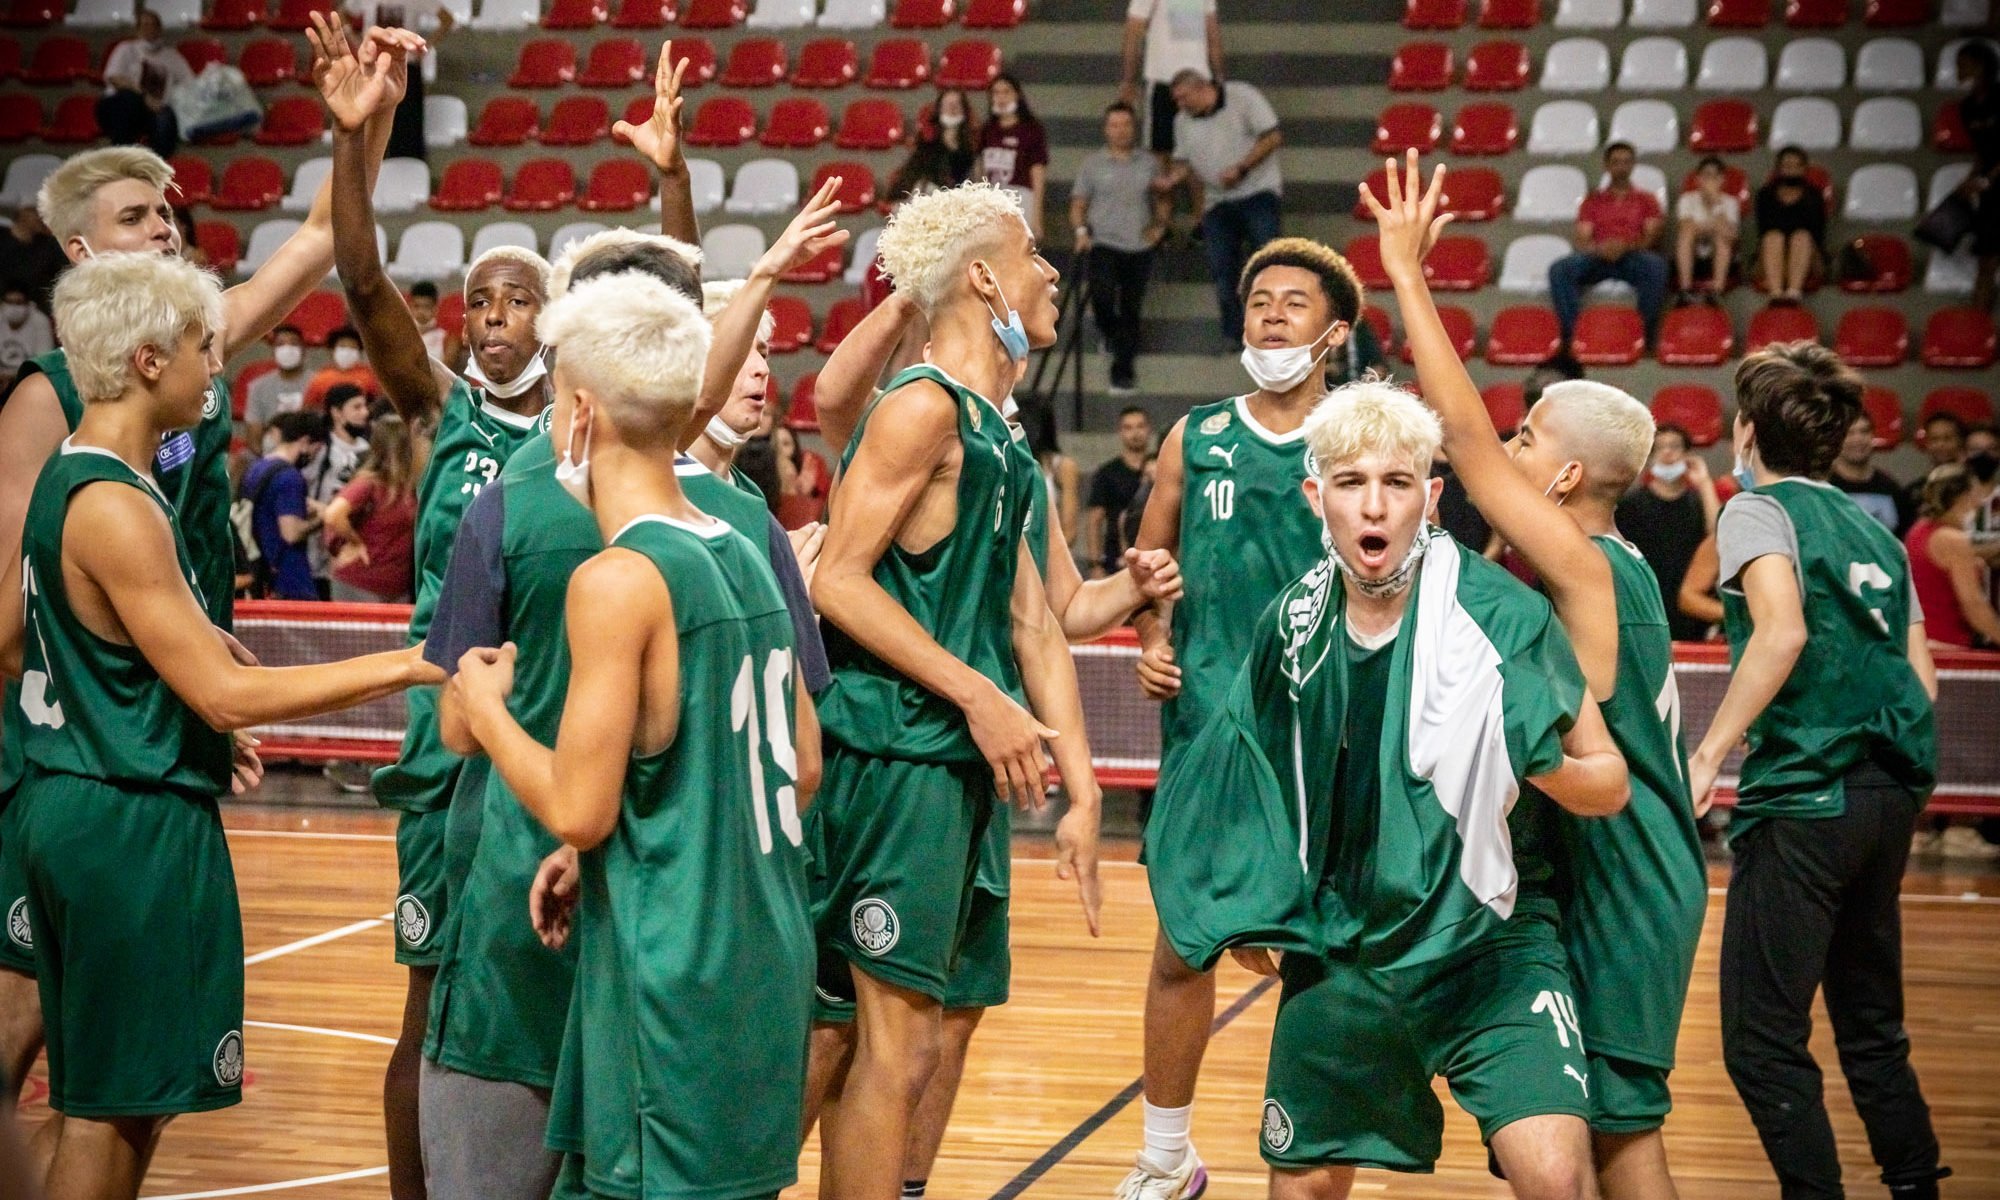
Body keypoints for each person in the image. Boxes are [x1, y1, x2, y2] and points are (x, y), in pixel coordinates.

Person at [0, 78, 405, 1109]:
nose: (164, 228)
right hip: (82, 741)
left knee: (98, 1081)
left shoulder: (191, 354)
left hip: (151, 716)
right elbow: (9, 624)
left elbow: (322, 236)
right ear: (81, 253)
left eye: (168, 211)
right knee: (29, 1029)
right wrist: (150, 702)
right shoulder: (53, 396)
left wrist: (363, 122)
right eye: (136, 216)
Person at [417, 224, 835, 1200]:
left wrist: (487, 707)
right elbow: (801, 765)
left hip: (663, 977)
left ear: (576, 415)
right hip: (760, 962)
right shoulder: (745, 546)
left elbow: (579, 805)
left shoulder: (618, 576)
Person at [1144, 375, 1630, 1200]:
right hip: (1348, 946)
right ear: (1317, 498)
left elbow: (1609, 781)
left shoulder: (1501, 615)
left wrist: (1534, 762)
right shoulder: (1291, 626)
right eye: (1351, 483)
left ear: (1430, 498)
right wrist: (1251, 904)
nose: (1374, 505)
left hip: (1492, 944)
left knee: (1558, 1178)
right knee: (1302, 1188)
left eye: (1397, 483)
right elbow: (1246, 776)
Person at [1368, 149, 1705, 1199]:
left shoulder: (1590, 562)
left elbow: (1462, 447)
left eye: (1525, 437)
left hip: (1627, 875)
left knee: (1620, 1136)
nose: (1503, 448)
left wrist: (1406, 275)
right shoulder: (1593, 571)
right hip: (1612, 866)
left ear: (1562, 477)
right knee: (1596, 1131)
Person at [801, 271, 1180, 1200]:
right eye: (1030, 255)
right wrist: (980, 697)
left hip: (959, 766)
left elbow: (1041, 619)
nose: (1051, 272)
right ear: (981, 277)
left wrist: (1084, 793)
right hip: (894, 754)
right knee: (861, 1037)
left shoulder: (1003, 442)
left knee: (926, 1037)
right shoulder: (921, 405)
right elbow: (837, 566)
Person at [1118, 235, 1360, 1200]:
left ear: (1334, 333)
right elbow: (1150, 563)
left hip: (1326, 737)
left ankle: (1308, 1164)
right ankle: (1164, 1158)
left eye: (1294, 302)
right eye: (1260, 299)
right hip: (1209, 730)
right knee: (1184, 947)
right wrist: (1152, 634)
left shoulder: (1360, 442)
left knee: (1321, 963)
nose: (1271, 314)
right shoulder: (1196, 435)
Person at [1687, 343, 1947, 1200]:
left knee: (1761, 1041)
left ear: (1746, 431)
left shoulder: (1757, 510)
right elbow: (1923, 680)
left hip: (1807, 794)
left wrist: (1708, 753)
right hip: (1887, 793)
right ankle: (1915, 1183)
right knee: (1871, 1025)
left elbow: (1782, 630)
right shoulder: (1880, 533)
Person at [1155, 70, 1284, 343]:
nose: (1179, 104)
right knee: (1222, 268)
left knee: (1269, 262)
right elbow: (1184, 162)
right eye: (1176, 99)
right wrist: (1171, 180)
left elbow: (1272, 137)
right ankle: (1235, 334)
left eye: (1183, 97)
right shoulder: (1182, 121)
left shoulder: (1243, 97)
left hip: (1257, 192)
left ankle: (1273, 329)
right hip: (1217, 201)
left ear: (1202, 88)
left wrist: (1242, 167)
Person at [1073, 101, 1170, 395]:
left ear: (1134, 127)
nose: (1120, 130)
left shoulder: (1149, 163)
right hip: (1103, 242)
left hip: (1139, 246)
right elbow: (1078, 204)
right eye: (1114, 125)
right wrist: (1081, 231)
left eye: (1126, 124)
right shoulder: (1092, 164)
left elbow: (1163, 198)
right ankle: (1113, 336)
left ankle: (1122, 372)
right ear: (1106, 129)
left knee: (1131, 308)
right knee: (1101, 299)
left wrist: (1160, 227)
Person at [1549, 142, 1669, 352]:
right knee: (1559, 269)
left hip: (1632, 256)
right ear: (1606, 166)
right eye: (1616, 162)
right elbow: (1582, 239)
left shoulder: (1647, 200)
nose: (1621, 167)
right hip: (1598, 257)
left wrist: (1626, 246)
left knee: (1657, 266)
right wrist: (1600, 249)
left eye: (1626, 162)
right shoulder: (1592, 200)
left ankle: (1643, 338)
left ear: (1633, 165)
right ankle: (1573, 337)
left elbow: (1651, 237)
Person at [1618, 424, 1722, 642]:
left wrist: (1704, 483)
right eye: (1660, 448)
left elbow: (1718, 538)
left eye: (1674, 447)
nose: (1667, 453)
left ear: (1687, 455)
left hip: (1690, 611)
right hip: (1647, 605)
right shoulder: (1630, 505)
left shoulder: (1698, 502)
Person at [323, 413, 421, 603]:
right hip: (361, 584)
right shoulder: (370, 483)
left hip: (397, 587)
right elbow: (333, 514)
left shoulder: (410, 486)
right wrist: (355, 542)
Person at [1120, 0, 1224, 169]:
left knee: (1166, 159)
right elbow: (1213, 33)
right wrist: (1219, 79)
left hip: (1167, 79)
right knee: (1194, 158)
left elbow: (1134, 34)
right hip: (1195, 82)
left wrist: (1129, 81)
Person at [1906, 463, 1999, 649]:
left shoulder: (1917, 531)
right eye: (1976, 493)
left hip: (1920, 644)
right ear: (1963, 497)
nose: (1980, 502)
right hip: (1947, 646)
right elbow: (1973, 606)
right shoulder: (1953, 541)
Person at [242, 409, 329, 601]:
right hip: (289, 578)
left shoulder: (256, 469)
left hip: (261, 570)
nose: (313, 457)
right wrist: (323, 518)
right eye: (316, 450)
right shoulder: (290, 477)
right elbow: (291, 533)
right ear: (305, 442)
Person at [95, 9, 193, 157]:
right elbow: (115, 78)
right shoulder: (125, 49)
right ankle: (121, 155)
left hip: (153, 110)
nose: (149, 29)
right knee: (129, 99)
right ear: (137, 29)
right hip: (119, 105)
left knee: (166, 116)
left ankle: (157, 163)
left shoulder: (172, 57)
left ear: (159, 29)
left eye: (153, 25)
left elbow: (190, 83)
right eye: (145, 25)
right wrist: (144, 97)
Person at [306, 384, 374, 595]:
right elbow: (301, 489)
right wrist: (322, 510)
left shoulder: (369, 449)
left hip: (351, 538)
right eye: (357, 407)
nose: (365, 412)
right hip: (317, 541)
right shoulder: (320, 448)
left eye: (365, 406)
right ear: (336, 412)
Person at [1952, 41, 1999, 312]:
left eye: (1964, 64)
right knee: (1985, 262)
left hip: (1994, 183)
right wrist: (1971, 179)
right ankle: (1979, 323)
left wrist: (1988, 179)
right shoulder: (1967, 107)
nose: (1958, 70)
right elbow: (1982, 152)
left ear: (1981, 66)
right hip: (1991, 191)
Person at [977, 74, 1049, 240]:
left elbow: (1038, 172)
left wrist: (1037, 216)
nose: (1001, 98)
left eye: (1006, 92)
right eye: (996, 93)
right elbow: (982, 169)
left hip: (1020, 197)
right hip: (992, 198)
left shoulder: (1031, 129)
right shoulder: (988, 129)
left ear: (1017, 95)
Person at [1086, 405, 1153, 577]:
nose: (1135, 433)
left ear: (1149, 429)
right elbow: (1094, 520)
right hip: (1115, 560)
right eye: (1128, 428)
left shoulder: (1162, 469)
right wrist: (1094, 564)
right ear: (1120, 432)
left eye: (1140, 426)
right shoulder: (1107, 473)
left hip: (1154, 555)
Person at [1755, 147, 1826, 305]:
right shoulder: (1765, 195)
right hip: (1772, 255)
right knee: (1773, 237)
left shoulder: (1814, 196)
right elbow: (1763, 231)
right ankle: (1776, 295)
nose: (1791, 170)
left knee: (1801, 236)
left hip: (1806, 257)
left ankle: (1793, 294)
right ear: (1778, 168)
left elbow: (1818, 235)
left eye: (1796, 166)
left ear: (1803, 168)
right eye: (1787, 165)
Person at [1830, 412, 1916, 536]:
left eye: (1864, 431)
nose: (1858, 439)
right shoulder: (1824, 487)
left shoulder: (1891, 489)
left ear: (1872, 436)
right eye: (1849, 433)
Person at [887, 89, 979, 203]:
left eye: (956, 104)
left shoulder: (973, 145)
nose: (952, 108)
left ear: (964, 109)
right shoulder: (927, 143)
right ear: (939, 109)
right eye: (947, 104)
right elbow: (912, 175)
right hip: (929, 196)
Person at [1675, 155, 1739, 302]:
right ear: (1698, 179)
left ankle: (1717, 291)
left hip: (1721, 258)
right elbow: (1686, 227)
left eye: (1715, 176)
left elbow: (1730, 235)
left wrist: (1716, 203)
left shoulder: (1730, 202)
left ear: (1722, 180)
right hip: (1692, 256)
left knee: (1722, 238)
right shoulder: (1687, 199)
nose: (1710, 180)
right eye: (1706, 175)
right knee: (1687, 233)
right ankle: (1685, 291)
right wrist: (1715, 226)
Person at [244, 325, 312, 455]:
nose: (287, 349)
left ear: (304, 350)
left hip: (308, 451)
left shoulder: (317, 383)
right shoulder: (258, 387)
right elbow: (253, 437)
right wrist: (270, 461)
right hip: (268, 452)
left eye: (293, 344)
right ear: (273, 351)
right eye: (281, 344)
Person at [0, 206, 65, 314]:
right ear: (23, 215)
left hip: (33, 308)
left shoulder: (46, 246)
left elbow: (63, 270)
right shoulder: (3, 239)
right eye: (35, 214)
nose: (39, 218)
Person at [303, 326, 379, 411]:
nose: (347, 351)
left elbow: (379, 402)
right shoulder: (320, 378)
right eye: (342, 346)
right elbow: (308, 407)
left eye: (353, 347)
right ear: (332, 350)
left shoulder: (370, 376)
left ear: (359, 352)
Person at [0, 288, 54, 376]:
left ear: (29, 304)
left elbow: (44, 363)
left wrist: (13, 376)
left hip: (28, 377)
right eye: (9, 302)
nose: (13, 308)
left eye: (19, 302)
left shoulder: (40, 321)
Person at [408, 280, 446, 360]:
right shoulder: (402, 335)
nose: (421, 312)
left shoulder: (444, 337)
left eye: (426, 307)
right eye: (416, 306)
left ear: (435, 309)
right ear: (410, 307)